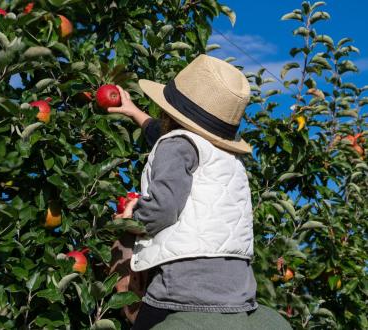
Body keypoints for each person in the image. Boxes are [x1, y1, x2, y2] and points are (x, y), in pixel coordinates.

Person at [109, 55, 292, 330]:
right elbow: (166, 136)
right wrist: (134, 112)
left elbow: (162, 210)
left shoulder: (175, 145)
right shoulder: (225, 156)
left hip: (184, 288)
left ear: (168, 111)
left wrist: (131, 217)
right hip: (237, 292)